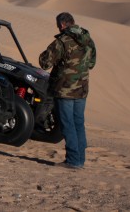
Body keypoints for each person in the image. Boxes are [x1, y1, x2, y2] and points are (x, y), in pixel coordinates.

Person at [39, 12, 97, 169]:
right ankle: (80, 159)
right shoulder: (88, 40)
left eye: (59, 24)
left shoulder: (62, 41)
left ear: (63, 24)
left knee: (68, 124)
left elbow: (45, 63)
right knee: (78, 123)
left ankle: (73, 160)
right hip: (82, 89)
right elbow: (92, 63)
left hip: (65, 90)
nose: (58, 27)